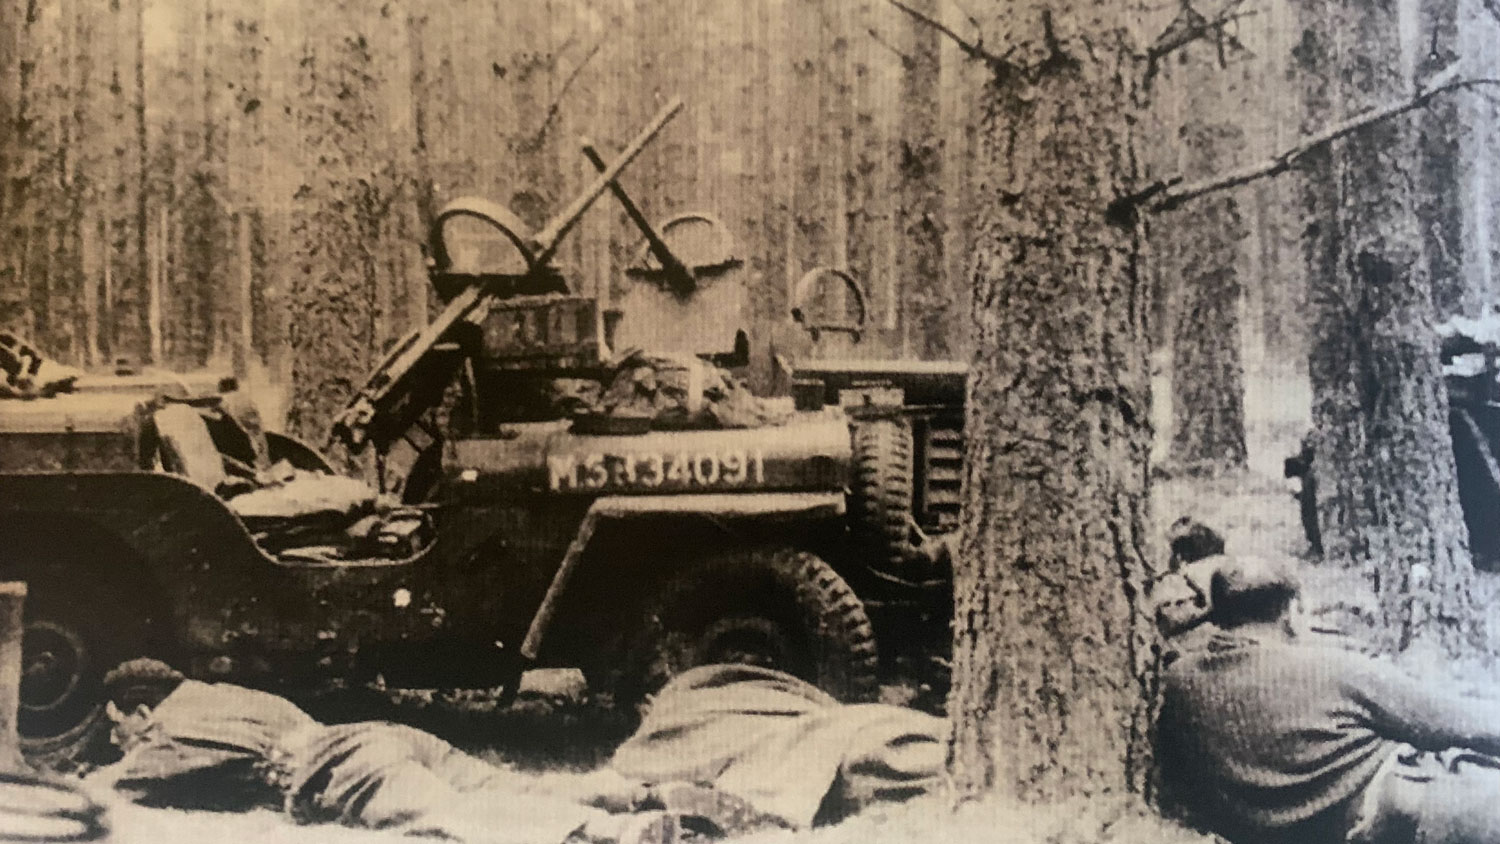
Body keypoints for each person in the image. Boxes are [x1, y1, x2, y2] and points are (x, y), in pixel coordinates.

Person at [90, 659, 693, 844]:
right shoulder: (222, 693)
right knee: (502, 786)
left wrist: (116, 761)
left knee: (453, 819)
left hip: (344, 769)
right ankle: (632, 793)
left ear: (142, 710)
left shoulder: (164, 733)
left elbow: (117, 787)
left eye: (118, 725)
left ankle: (611, 831)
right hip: (377, 737)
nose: (119, 738)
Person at [1157, 557, 1500, 844]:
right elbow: (1455, 723)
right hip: (1392, 812)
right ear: (1292, 613)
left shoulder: (1176, 682)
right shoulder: (1324, 669)